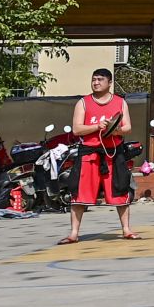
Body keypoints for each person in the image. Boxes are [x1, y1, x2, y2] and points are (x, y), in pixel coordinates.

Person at [60, 69, 137, 243]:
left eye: (100, 79)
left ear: (109, 82)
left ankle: (126, 229)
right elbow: (77, 129)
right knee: (79, 193)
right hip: (89, 153)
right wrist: (97, 127)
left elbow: (128, 128)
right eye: (93, 79)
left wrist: (113, 129)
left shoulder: (120, 102)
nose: (96, 82)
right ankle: (73, 233)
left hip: (113, 152)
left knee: (120, 189)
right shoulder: (83, 103)